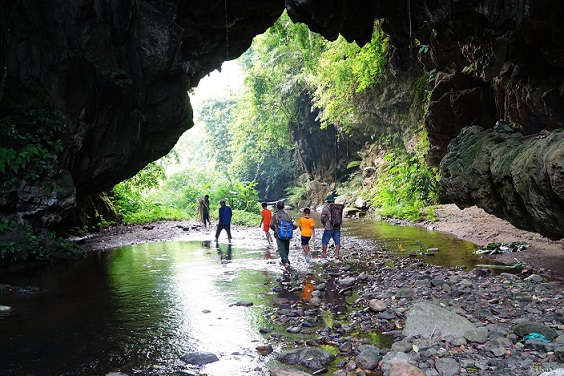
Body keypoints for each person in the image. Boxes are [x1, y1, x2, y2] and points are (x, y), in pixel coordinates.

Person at [269, 200, 297, 271]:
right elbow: (293, 225)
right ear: (283, 207)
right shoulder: (288, 215)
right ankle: (286, 261)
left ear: (277, 207)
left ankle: (286, 263)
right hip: (288, 234)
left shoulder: (276, 215)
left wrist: (276, 230)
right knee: (286, 248)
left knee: (281, 249)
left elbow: (271, 225)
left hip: (279, 234)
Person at [320, 195, 341, 259]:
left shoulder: (326, 208)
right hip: (337, 226)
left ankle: (324, 254)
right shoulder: (338, 207)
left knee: (324, 241)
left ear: (328, 201)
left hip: (329, 227)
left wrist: (324, 224)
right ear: (333, 200)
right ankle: (336, 255)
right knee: (337, 241)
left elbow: (322, 218)